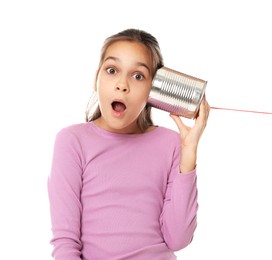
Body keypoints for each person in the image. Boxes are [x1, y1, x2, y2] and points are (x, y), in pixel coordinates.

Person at [47, 28, 210, 259]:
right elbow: (65, 243)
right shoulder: (72, 141)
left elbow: (178, 238)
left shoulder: (172, 144)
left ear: (153, 90)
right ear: (97, 79)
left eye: (138, 76)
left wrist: (189, 153)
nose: (122, 85)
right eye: (112, 70)